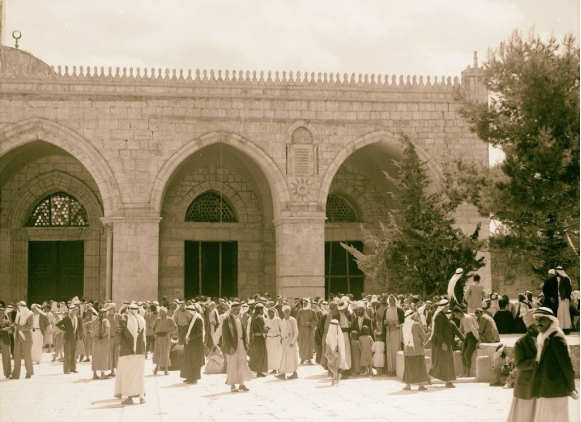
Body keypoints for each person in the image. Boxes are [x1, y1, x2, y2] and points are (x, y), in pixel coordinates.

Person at [532, 307, 578, 422]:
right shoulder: (544, 337)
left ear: (551, 321)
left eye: (542, 319)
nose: (538, 323)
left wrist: (571, 387)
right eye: (537, 319)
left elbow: (566, 365)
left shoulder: (556, 338)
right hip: (546, 387)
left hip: (555, 388)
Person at [506, 310, 538, 422]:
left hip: (539, 385)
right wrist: (537, 362)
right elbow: (519, 364)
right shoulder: (520, 343)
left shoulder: (545, 339)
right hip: (526, 385)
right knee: (523, 416)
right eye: (537, 325)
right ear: (530, 328)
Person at [114, 304, 146, 405]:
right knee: (139, 375)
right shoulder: (142, 319)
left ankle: (130, 397)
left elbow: (118, 334)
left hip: (127, 352)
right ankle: (141, 397)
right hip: (140, 351)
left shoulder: (124, 319)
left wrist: (122, 345)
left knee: (128, 375)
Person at [222, 302, 252, 393]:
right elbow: (225, 336)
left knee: (242, 365)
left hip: (241, 344)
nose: (238, 312)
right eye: (236, 310)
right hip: (232, 346)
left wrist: (246, 343)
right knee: (233, 365)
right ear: (232, 310)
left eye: (239, 310)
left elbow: (243, 332)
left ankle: (241, 384)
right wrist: (230, 346)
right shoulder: (227, 320)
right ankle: (232, 385)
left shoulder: (240, 319)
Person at [428, 299, 456, 388]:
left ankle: (448, 381)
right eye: (447, 306)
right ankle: (448, 381)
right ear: (443, 307)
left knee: (446, 362)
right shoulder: (439, 316)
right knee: (440, 362)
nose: (448, 308)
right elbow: (438, 332)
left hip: (446, 343)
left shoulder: (443, 315)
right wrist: (443, 343)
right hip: (441, 344)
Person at [402, 310, 429, 391]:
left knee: (409, 368)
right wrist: (429, 333)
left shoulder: (402, 326)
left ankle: (408, 385)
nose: (415, 317)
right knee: (420, 367)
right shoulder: (416, 325)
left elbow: (401, 339)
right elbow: (424, 337)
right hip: (418, 350)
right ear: (412, 316)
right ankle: (421, 386)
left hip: (408, 351)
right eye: (414, 315)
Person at [180, 304, 205, 384]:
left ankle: (194, 378)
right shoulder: (192, 319)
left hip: (196, 344)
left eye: (188, 312)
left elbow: (199, 332)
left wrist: (190, 338)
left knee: (195, 361)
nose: (187, 314)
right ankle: (189, 376)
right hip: (190, 343)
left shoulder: (198, 319)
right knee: (189, 360)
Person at [453, 306, 480, 377]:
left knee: (467, 354)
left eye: (456, 315)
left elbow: (473, 329)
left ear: (459, 313)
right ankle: (464, 372)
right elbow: (461, 329)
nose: (456, 317)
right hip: (468, 336)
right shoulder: (462, 319)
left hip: (473, 337)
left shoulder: (467, 318)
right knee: (462, 354)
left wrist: (478, 340)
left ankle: (467, 373)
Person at [55, 305, 82, 375]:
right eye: (75, 310)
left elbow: (77, 329)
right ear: (71, 311)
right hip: (68, 338)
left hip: (74, 338)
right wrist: (65, 330)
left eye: (76, 310)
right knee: (67, 354)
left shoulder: (77, 318)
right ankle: (66, 370)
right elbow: (57, 324)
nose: (76, 311)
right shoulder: (66, 319)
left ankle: (73, 368)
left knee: (73, 353)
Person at [277, 305, 299, 380]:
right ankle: (283, 373)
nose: (288, 313)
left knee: (292, 357)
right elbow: (282, 331)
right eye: (286, 311)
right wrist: (281, 338)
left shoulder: (292, 320)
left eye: (289, 311)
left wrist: (293, 341)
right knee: (283, 357)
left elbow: (296, 331)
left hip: (291, 340)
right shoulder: (282, 320)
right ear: (283, 312)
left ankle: (294, 373)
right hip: (284, 340)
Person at [153, 306, 177, 376]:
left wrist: (170, 333)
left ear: (165, 312)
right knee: (157, 353)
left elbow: (176, 328)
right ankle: (157, 367)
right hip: (158, 338)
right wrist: (154, 334)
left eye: (162, 312)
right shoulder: (157, 320)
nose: (161, 313)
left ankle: (166, 370)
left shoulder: (170, 320)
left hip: (166, 339)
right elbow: (153, 328)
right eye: (160, 312)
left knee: (165, 354)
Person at [384, 295, 404, 376]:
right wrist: (386, 323)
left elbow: (402, 321)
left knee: (396, 349)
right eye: (390, 299)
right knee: (390, 351)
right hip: (388, 332)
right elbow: (383, 321)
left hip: (396, 332)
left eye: (393, 299)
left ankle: (397, 368)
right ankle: (391, 369)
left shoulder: (399, 309)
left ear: (395, 300)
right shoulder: (386, 309)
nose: (391, 300)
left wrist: (395, 323)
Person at [248, 303, 268, 377]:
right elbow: (263, 329)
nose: (263, 311)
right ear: (259, 310)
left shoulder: (253, 317)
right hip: (259, 339)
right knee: (261, 354)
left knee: (256, 355)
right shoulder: (259, 318)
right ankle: (259, 372)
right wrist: (268, 329)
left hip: (254, 339)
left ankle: (258, 371)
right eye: (262, 309)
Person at [92, 307, 111, 380]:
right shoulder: (105, 320)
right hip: (102, 341)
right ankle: (102, 374)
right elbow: (107, 329)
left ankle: (94, 374)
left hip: (95, 340)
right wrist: (103, 336)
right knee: (102, 357)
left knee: (95, 357)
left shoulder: (95, 320)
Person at [297, 299, 317, 365]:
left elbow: (316, 321)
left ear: (308, 303)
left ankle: (309, 359)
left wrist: (310, 323)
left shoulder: (312, 311)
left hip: (309, 330)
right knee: (302, 344)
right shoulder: (300, 311)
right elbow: (298, 321)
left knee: (309, 345)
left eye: (306, 303)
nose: (304, 304)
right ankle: (302, 359)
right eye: (303, 303)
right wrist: (298, 330)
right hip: (301, 330)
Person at [325, 320, 345, 385]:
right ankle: (333, 381)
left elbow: (328, 345)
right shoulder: (340, 334)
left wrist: (326, 353)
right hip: (339, 352)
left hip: (331, 353)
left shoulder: (329, 334)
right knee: (336, 367)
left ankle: (337, 375)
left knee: (330, 365)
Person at [555, 266, 573, 332]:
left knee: (565, 313)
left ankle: (567, 327)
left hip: (564, 298)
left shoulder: (566, 278)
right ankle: (562, 327)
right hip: (560, 297)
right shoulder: (561, 278)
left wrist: (566, 296)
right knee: (561, 312)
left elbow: (569, 289)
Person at [265, 307, 282, 374]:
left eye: (271, 311)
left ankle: (279, 368)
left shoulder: (278, 319)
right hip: (269, 338)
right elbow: (265, 330)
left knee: (277, 353)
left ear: (274, 312)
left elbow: (281, 328)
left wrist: (282, 338)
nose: (270, 313)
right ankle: (273, 368)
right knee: (271, 354)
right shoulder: (266, 320)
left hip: (277, 338)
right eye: (269, 312)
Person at [0, 305, 13, 379]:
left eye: (2, 313)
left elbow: (11, 329)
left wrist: (9, 329)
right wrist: (2, 330)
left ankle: (7, 373)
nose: (1, 314)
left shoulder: (7, 321)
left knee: (6, 356)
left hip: (5, 340)